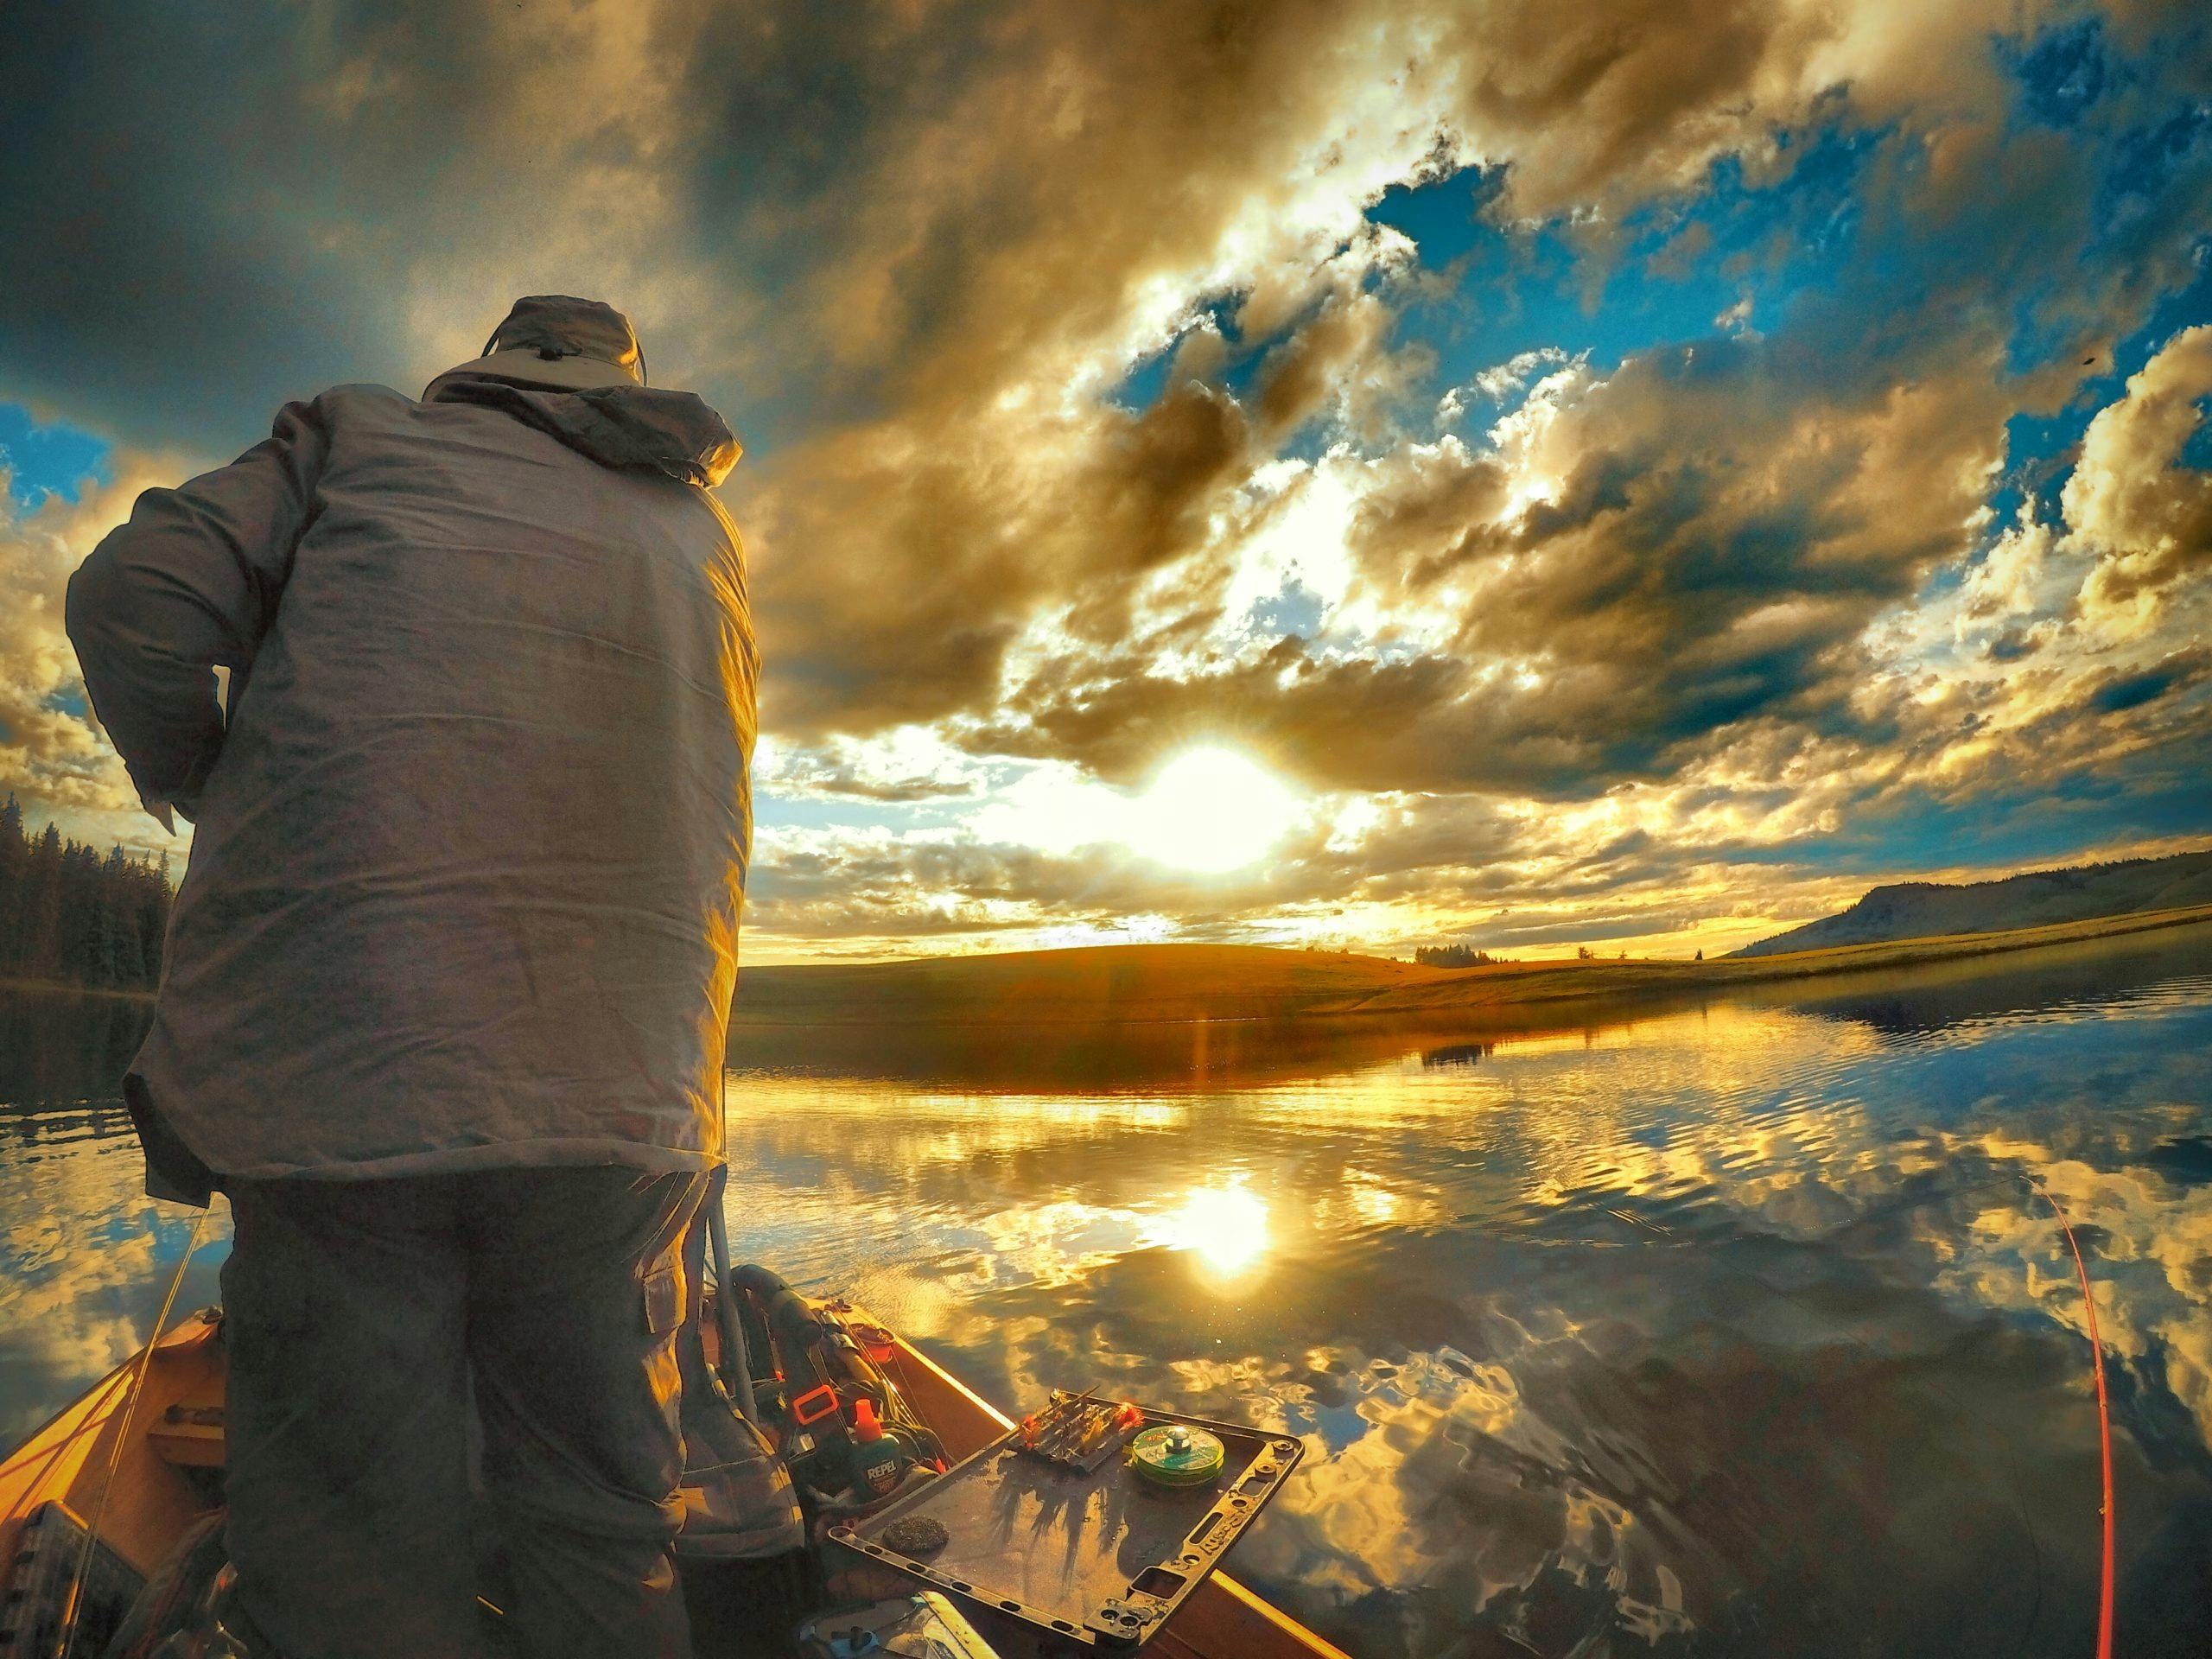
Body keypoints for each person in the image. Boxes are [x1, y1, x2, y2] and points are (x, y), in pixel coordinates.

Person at [66, 296, 756, 1659]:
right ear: (624, 382)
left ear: (491, 369)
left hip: (346, 1081)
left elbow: (130, 596)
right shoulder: (706, 540)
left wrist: (203, 779)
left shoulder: (361, 437)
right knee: (606, 1534)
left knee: (348, 1568)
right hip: (631, 1105)